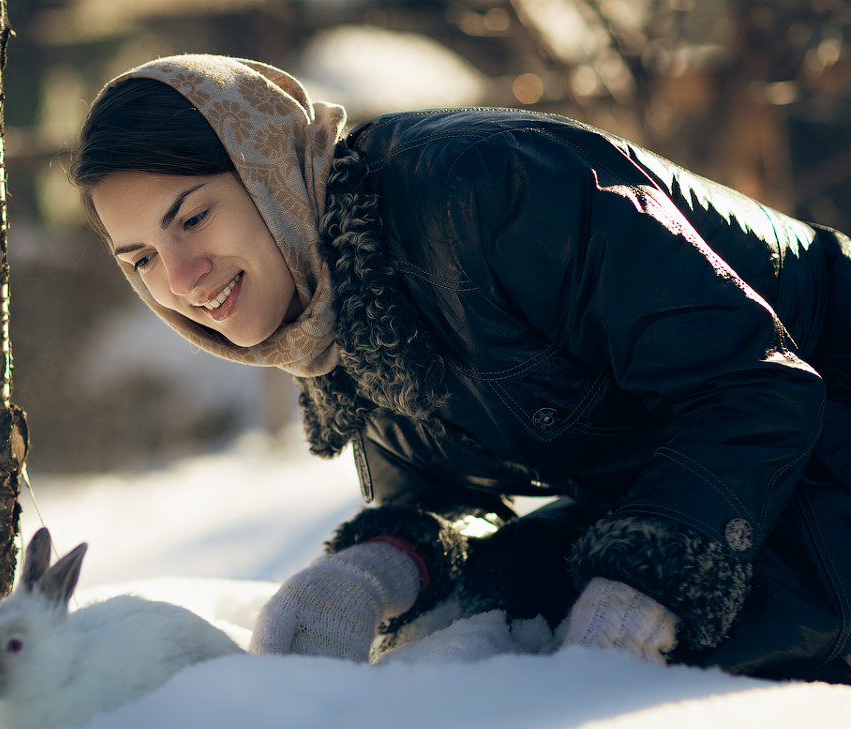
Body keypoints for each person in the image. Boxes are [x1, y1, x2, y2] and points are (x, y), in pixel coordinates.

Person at [69, 53, 851, 683]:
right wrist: (378, 566)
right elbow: (445, 490)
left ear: (268, 170)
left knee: (648, 670)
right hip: (735, 463)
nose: (180, 279)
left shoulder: (487, 189)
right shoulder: (327, 307)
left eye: (193, 217)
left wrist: (645, 581)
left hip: (821, 409)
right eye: (140, 259)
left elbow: (756, 380)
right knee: (493, 618)